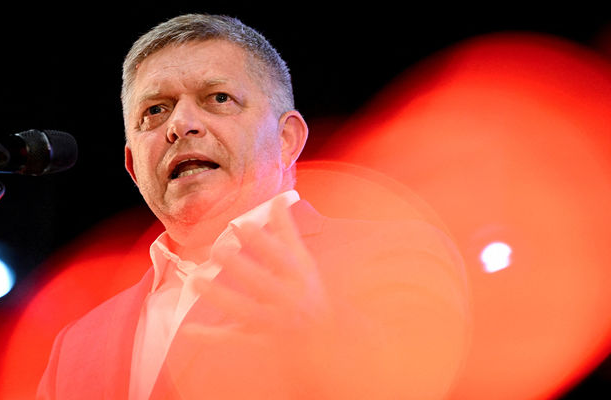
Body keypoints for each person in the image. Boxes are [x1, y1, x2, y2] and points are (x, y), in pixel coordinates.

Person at [37, 14, 471, 399]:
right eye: (155, 110)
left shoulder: (394, 255)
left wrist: (325, 343)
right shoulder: (76, 345)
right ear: (134, 167)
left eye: (218, 98)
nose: (180, 125)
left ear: (286, 140)